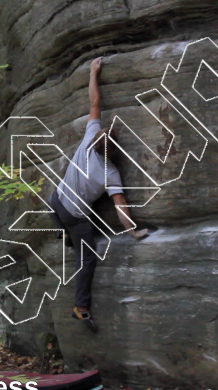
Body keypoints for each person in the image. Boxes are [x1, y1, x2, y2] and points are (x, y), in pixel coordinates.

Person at [48, 57, 149, 333]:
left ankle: (63, 232)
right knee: (88, 257)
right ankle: (80, 308)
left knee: (54, 196)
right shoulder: (111, 173)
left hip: (57, 202)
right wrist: (133, 232)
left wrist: (93, 72)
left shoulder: (88, 140)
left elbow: (94, 102)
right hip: (74, 215)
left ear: (97, 140)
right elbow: (120, 205)